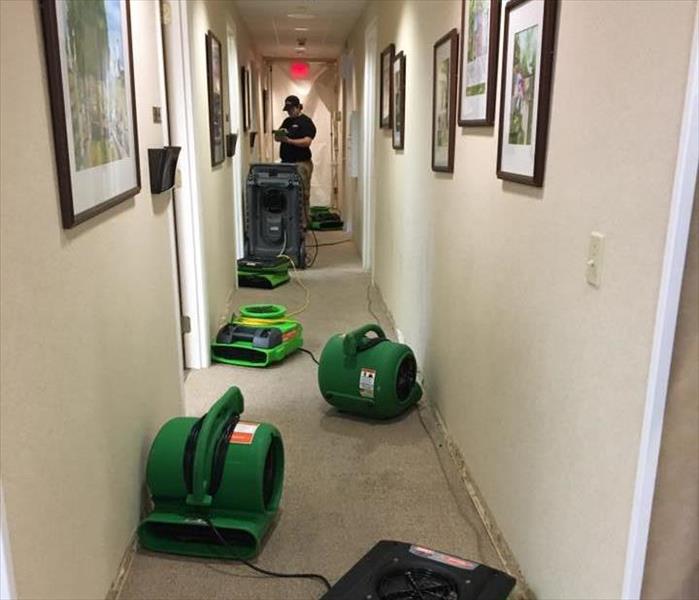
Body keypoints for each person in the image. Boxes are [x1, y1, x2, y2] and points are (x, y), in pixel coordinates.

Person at [275, 95, 316, 227]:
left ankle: (303, 224)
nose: (289, 112)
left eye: (291, 109)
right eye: (287, 110)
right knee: (286, 194)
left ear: (298, 107)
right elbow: (278, 138)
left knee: (302, 195)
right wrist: (279, 135)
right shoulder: (287, 121)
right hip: (286, 163)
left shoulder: (306, 122)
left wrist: (290, 141)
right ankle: (289, 224)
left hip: (301, 163)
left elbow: (307, 142)